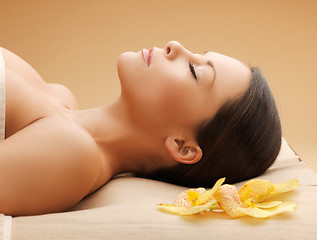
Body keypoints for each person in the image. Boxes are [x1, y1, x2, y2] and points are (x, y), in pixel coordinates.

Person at [0, 41, 281, 216]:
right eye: (196, 52)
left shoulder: (73, 154)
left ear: (182, 146)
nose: (175, 46)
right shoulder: (60, 97)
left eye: (195, 71)